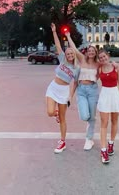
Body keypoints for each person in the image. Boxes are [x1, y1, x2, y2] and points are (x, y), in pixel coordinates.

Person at [46, 23, 79, 153]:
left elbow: (75, 83)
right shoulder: (62, 60)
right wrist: (54, 32)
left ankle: (62, 141)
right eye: (68, 53)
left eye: (72, 53)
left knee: (63, 120)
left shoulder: (76, 69)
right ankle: (56, 113)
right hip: (53, 87)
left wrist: (71, 96)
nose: (70, 55)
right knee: (49, 112)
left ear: (74, 55)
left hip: (64, 91)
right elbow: (58, 45)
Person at [65, 32, 100, 151]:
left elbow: (104, 70)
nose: (91, 52)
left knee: (92, 118)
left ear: (95, 53)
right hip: (81, 90)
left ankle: (89, 139)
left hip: (93, 90)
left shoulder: (98, 64)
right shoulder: (82, 59)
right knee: (85, 116)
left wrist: (114, 65)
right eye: (89, 50)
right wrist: (68, 36)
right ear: (86, 52)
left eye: (93, 51)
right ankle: (86, 120)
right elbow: (74, 48)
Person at [97, 49, 119, 164]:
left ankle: (111, 144)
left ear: (108, 56)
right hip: (104, 95)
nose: (103, 59)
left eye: (104, 57)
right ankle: (103, 150)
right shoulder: (99, 68)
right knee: (104, 123)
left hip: (115, 94)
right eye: (100, 58)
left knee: (114, 121)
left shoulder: (116, 66)